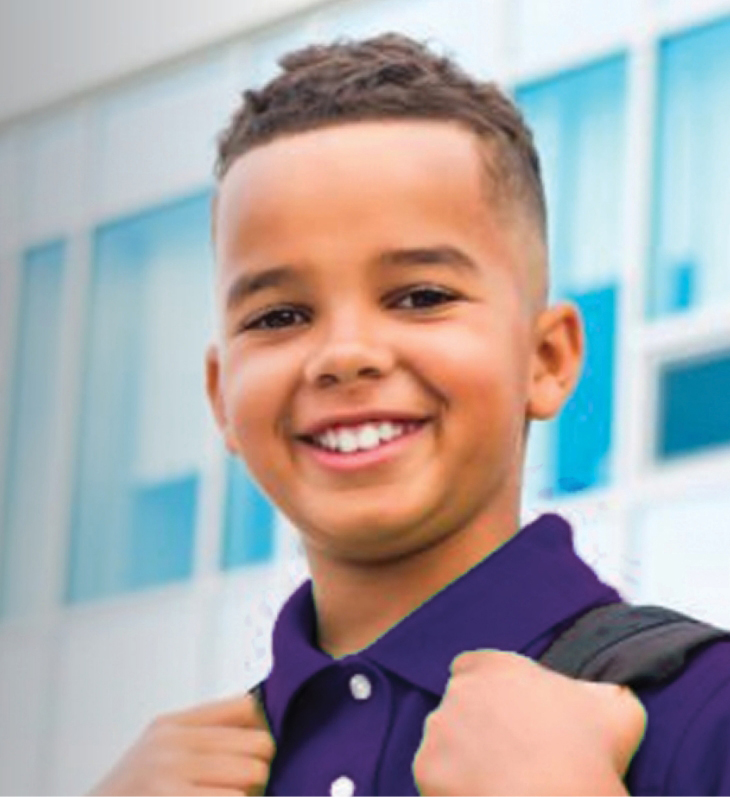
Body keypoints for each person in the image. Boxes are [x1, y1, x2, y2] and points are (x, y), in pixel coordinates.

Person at [91, 33, 730, 796]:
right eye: (280, 314)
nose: (345, 353)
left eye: (420, 297)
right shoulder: (174, 779)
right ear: (221, 395)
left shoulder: (703, 714)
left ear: (547, 359)